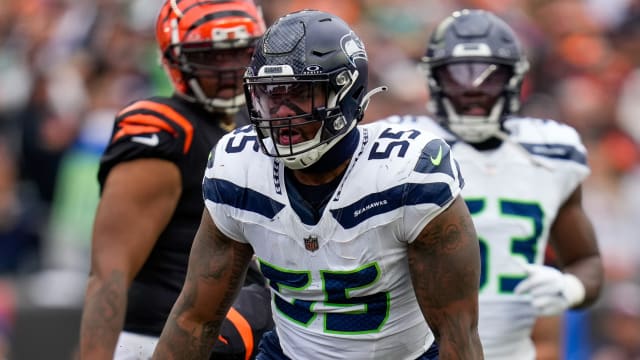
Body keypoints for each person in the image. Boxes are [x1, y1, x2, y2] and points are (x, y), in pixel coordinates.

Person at [152, 9, 484, 360]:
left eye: (299, 94)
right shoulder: (238, 168)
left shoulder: (407, 175)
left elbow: (457, 335)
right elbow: (195, 319)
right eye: (271, 95)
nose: (281, 113)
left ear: (345, 92)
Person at [381, 9, 604, 360]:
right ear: (435, 80)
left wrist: (571, 286)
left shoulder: (552, 152)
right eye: (458, 75)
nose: (473, 89)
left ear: (515, 80)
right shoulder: (404, 147)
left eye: (489, 77)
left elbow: (586, 260)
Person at [78, 1, 272, 359]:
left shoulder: (257, 123)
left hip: (235, 336)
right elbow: (110, 273)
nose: (230, 69)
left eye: (240, 52)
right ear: (174, 58)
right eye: (211, 57)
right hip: (158, 340)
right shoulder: (164, 130)